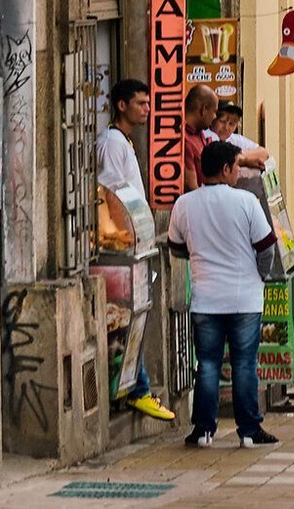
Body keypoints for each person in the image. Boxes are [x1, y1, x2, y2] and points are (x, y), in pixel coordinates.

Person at [168, 139, 278, 448]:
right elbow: (266, 246)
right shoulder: (245, 202)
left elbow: (176, 247)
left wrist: (201, 257)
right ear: (227, 168)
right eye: (238, 168)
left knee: (208, 364)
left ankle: (203, 430)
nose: (239, 174)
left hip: (206, 298)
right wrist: (260, 275)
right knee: (243, 363)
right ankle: (249, 431)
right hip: (245, 298)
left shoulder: (184, 204)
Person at [96, 78, 175, 422]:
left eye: (148, 102)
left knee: (135, 318)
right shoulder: (112, 143)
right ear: (121, 105)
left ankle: (136, 388)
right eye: (141, 103)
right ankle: (137, 389)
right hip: (122, 245)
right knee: (128, 319)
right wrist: (124, 238)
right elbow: (111, 194)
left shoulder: (124, 142)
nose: (147, 109)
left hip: (136, 244)